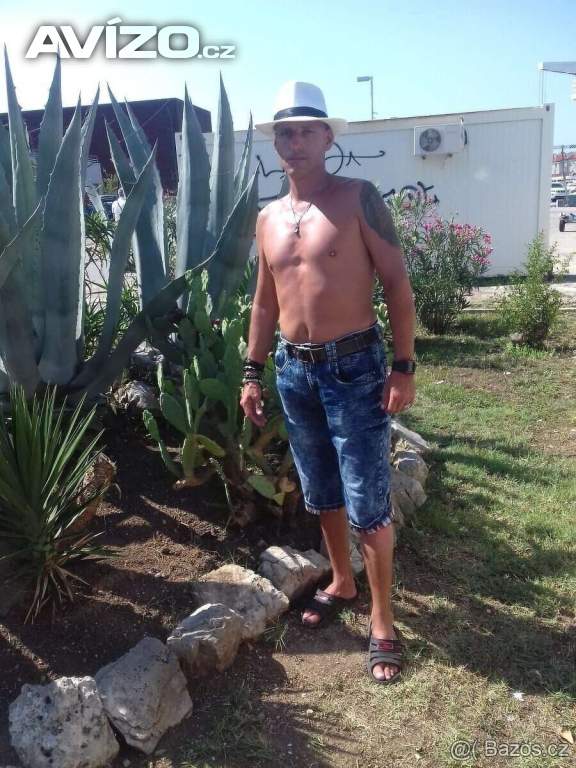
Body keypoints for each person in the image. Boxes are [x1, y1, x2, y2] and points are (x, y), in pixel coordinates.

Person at [241, 81, 417, 684]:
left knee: (368, 498)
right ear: (277, 143)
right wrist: (252, 371)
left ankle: (382, 621)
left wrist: (403, 365)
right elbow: (264, 302)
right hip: (294, 371)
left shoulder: (357, 198)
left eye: (306, 131)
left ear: (327, 137)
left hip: (354, 367)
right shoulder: (267, 217)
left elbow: (396, 283)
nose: (295, 142)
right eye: (285, 133)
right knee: (321, 488)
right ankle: (342, 581)